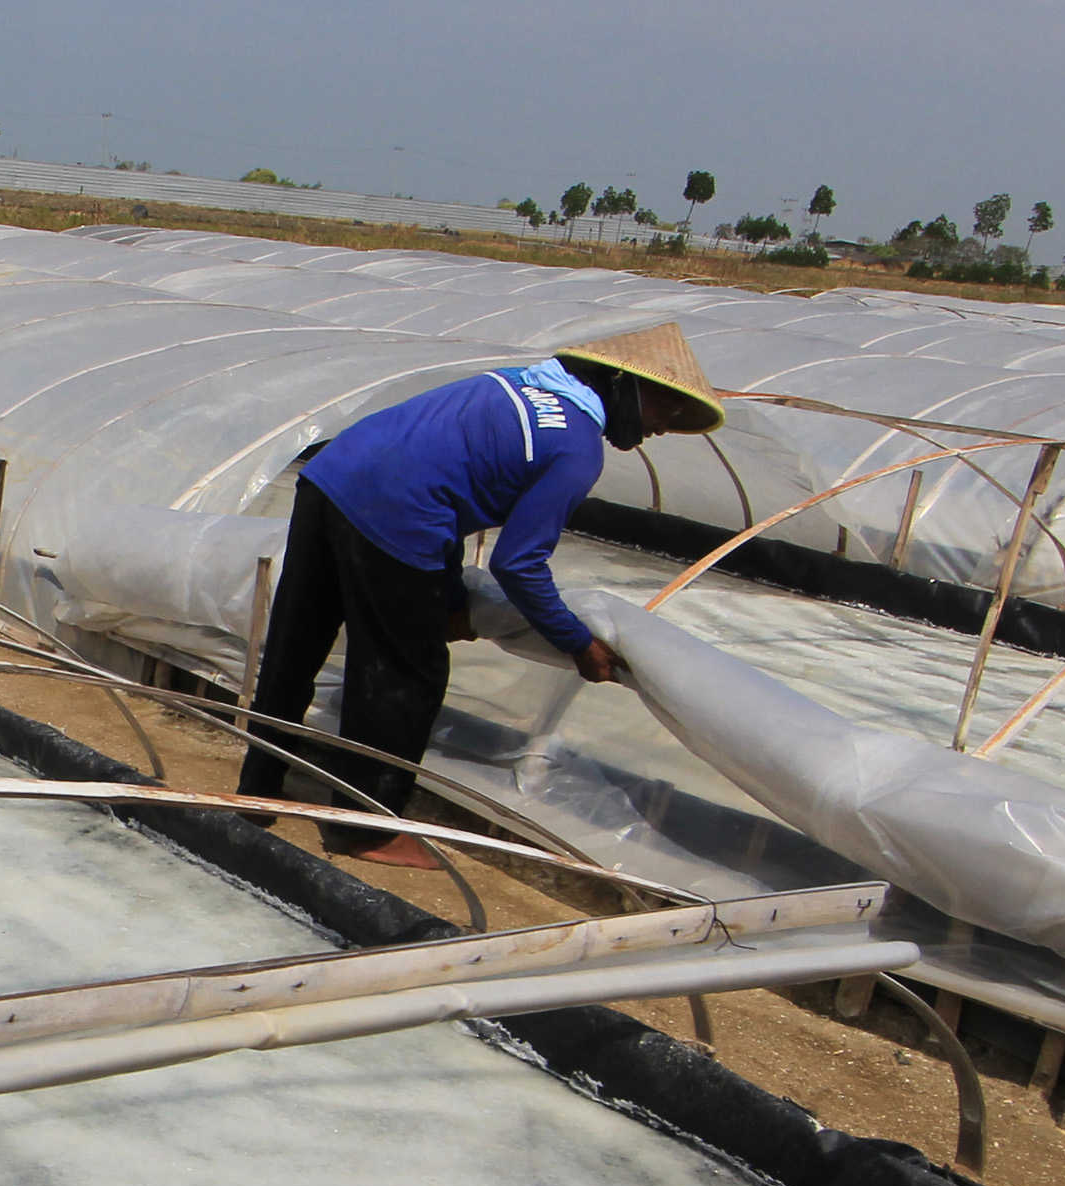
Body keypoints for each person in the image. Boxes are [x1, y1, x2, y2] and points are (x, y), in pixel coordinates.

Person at [232, 323, 725, 866]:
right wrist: (575, 641)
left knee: (297, 641)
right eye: (664, 406)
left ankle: (257, 787)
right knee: (407, 673)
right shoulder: (577, 448)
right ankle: (365, 827)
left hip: (331, 477)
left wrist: (445, 599)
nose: (664, 424)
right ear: (621, 385)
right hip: (397, 509)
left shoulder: (516, 384)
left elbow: (445, 476)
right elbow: (517, 562)